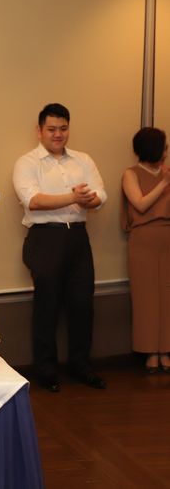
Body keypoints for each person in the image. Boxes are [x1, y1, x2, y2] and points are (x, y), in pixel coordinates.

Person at [13, 103, 107, 392]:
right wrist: (73, 197)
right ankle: (46, 370)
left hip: (78, 237)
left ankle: (81, 365)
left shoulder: (82, 159)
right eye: (52, 129)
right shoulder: (27, 163)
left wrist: (89, 199)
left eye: (63, 129)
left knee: (82, 305)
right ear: (39, 131)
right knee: (47, 306)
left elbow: (100, 195)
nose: (58, 134)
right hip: (45, 237)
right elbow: (33, 200)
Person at [121, 127, 170, 373]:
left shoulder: (166, 172)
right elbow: (140, 204)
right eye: (164, 146)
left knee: (168, 295)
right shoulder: (131, 174)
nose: (166, 151)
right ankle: (151, 351)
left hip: (167, 237)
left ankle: (166, 350)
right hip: (143, 240)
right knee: (147, 297)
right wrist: (164, 183)